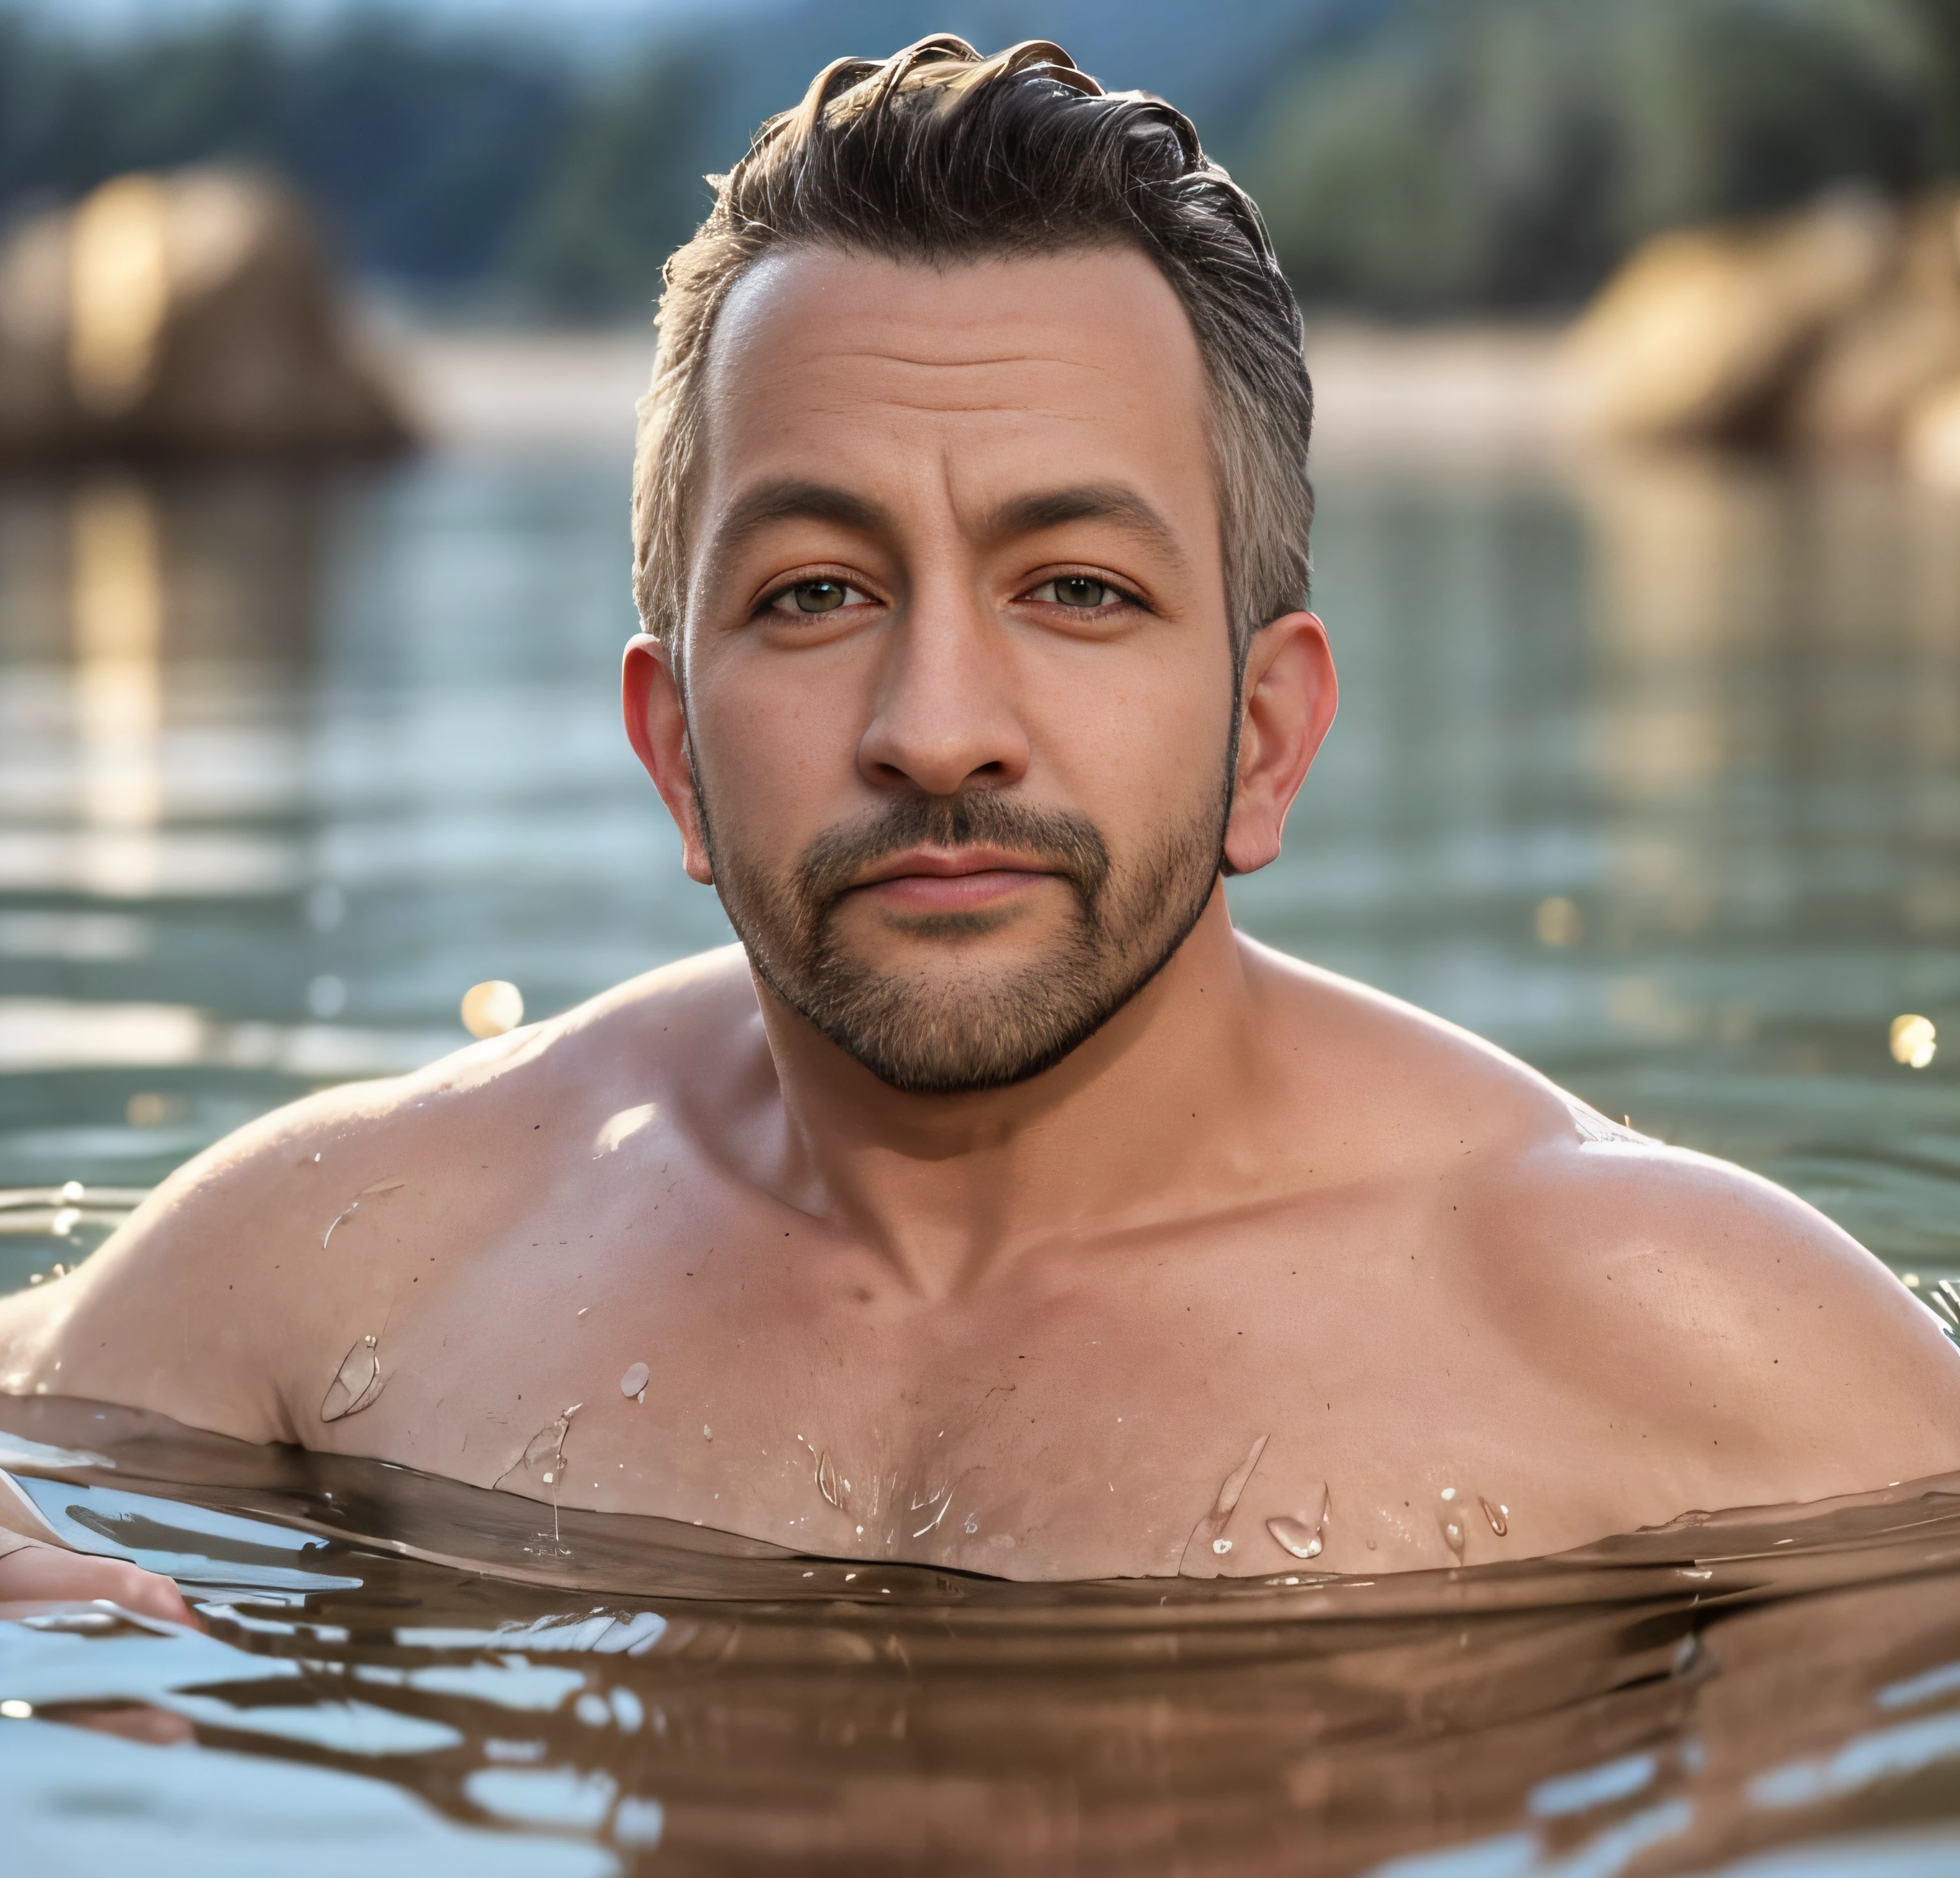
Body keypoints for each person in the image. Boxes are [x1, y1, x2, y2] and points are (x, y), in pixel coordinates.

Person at [4, 38, 1956, 1618]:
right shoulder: (355, 1255)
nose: (939, 729)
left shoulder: (1696, 1359)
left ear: (1267, 736)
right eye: (817, 595)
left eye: (1079, 590)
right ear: (674, 747)